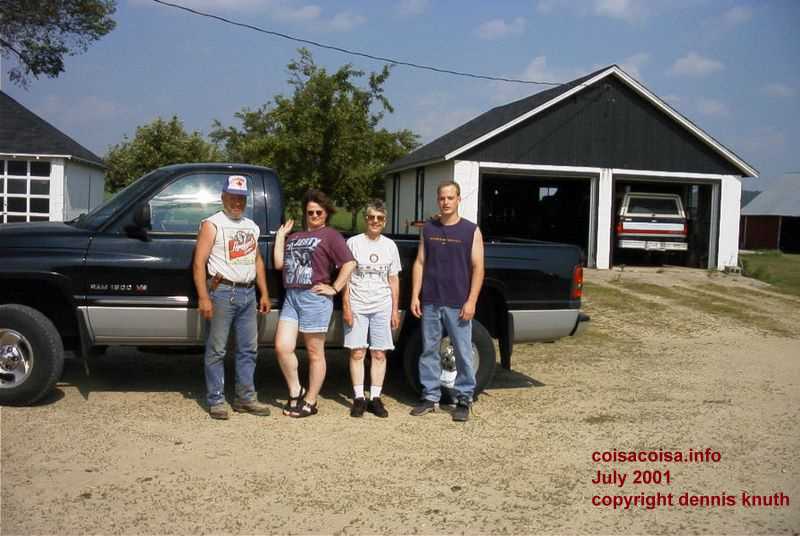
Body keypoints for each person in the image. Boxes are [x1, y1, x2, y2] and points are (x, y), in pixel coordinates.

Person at [193, 175, 272, 420]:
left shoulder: (251, 226)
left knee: (248, 349)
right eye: (232, 197)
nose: (237, 202)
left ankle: (245, 398)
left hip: (248, 292)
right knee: (217, 349)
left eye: (241, 198)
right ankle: (216, 400)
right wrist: (204, 297)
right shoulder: (212, 224)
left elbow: (257, 260)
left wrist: (264, 292)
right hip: (222, 292)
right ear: (223, 197)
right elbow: (199, 263)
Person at [274, 189, 356, 418]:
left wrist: (335, 288)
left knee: (314, 353)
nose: (314, 215)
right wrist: (281, 237)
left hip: (314, 299)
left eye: (319, 212)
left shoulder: (331, 235)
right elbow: (280, 264)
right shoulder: (295, 236)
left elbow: (349, 264)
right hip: (292, 297)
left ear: (326, 213)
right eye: (310, 212)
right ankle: (295, 390)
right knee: (282, 347)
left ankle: (311, 401)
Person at [409, 180, 485, 422]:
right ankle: (430, 397)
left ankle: (463, 399)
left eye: (450, 198)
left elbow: (478, 268)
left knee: (463, 352)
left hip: (458, 302)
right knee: (428, 351)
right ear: (438, 200)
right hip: (430, 300)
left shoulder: (471, 230)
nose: (446, 202)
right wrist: (415, 295)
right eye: (442, 198)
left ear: (458, 199)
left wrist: (471, 301)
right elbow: (420, 262)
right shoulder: (429, 229)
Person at [342, 200, 401, 418]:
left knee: (379, 352)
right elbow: (345, 278)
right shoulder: (353, 243)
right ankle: (358, 397)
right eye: (371, 217)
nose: (375, 221)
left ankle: (375, 398)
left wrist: (395, 310)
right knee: (358, 351)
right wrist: (346, 306)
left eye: (379, 218)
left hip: (382, 305)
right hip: (358, 304)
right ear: (365, 219)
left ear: (384, 221)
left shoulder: (390, 246)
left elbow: (393, 279)